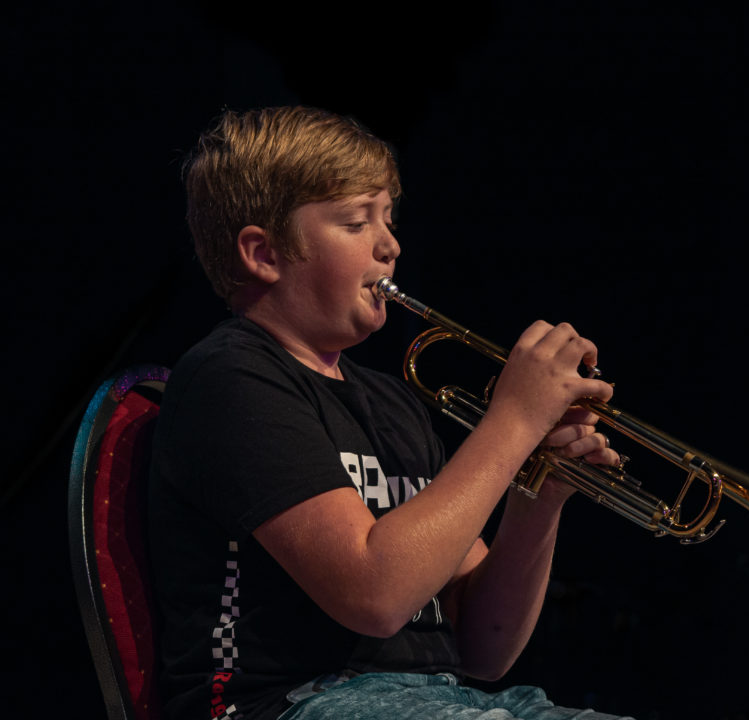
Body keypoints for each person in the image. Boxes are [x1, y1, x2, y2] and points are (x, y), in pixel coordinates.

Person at [148, 105, 634, 720]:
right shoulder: (232, 379)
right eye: (356, 222)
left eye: (389, 218)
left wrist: (541, 493)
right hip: (283, 703)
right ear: (263, 254)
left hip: (439, 699)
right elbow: (375, 594)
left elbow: (484, 647)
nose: (390, 245)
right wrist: (513, 422)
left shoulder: (394, 403)